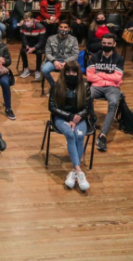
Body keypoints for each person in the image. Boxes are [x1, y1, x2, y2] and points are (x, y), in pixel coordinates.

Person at [48, 61, 92, 191]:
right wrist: (70, 117)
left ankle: (73, 172)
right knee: (69, 134)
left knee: (79, 135)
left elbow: (87, 107)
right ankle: (79, 171)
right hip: (62, 117)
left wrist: (77, 117)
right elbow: (52, 107)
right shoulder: (57, 85)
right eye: (68, 71)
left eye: (73, 71)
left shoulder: (85, 85)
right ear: (64, 72)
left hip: (80, 117)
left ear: (78, 73)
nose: (71, 74)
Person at [86, 33, 124, 152]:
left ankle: (103, 135)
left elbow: (118, 78)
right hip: (97, 86)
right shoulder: (94, 57)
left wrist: (100, 75)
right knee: (87, 96)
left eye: (109, 43)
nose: (106, 45)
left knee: (113, 103)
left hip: (112, 88)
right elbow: (89, 77)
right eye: (104, 43)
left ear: (114, 44)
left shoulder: (119, 59)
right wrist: (108, 77)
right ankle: (92, 117)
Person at [42, 21, 79, 90]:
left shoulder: (74, 40)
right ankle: (54, 86)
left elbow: (75, 55)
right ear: (58, 28)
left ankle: (67, 87)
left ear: (69, 29)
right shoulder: (50, 39)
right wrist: (54, 61)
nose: (63, 29)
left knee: (73, 72)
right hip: (53, 61)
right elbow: (47, 53)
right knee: (44, 70)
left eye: (65, 27)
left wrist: (65, 62)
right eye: (61, 27)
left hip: (68, 62)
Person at [19, 12, 46, 81]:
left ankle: (37, 70)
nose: (26, 23)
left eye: (28, 21)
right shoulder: (23, 27)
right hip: (29, 44)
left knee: (39, 53)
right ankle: (26, 69)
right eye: (25, 21)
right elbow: (23, 38)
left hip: (38, 45)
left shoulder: (40, 27)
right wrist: (27, 45)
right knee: (22, 50)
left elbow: (41, 41)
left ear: (32, 20)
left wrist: (34, 48)